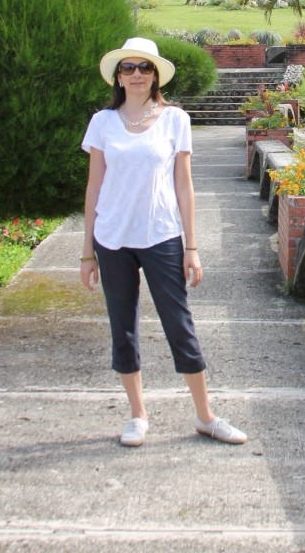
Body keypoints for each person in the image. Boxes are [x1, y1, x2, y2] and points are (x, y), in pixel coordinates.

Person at [80, 36, 246, 448]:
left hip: (161, 235)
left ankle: (206, 417)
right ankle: (137, 415)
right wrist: (87, 252)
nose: (136, 75)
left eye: (144, 67)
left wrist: (193, 247)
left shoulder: (175, 120)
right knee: (123, 328)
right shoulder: (103, 123)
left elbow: (185, 187)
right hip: (112, 239)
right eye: (128, 68)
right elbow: (94, 188)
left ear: (155, 75)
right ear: (117, 76)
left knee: (179, 324)